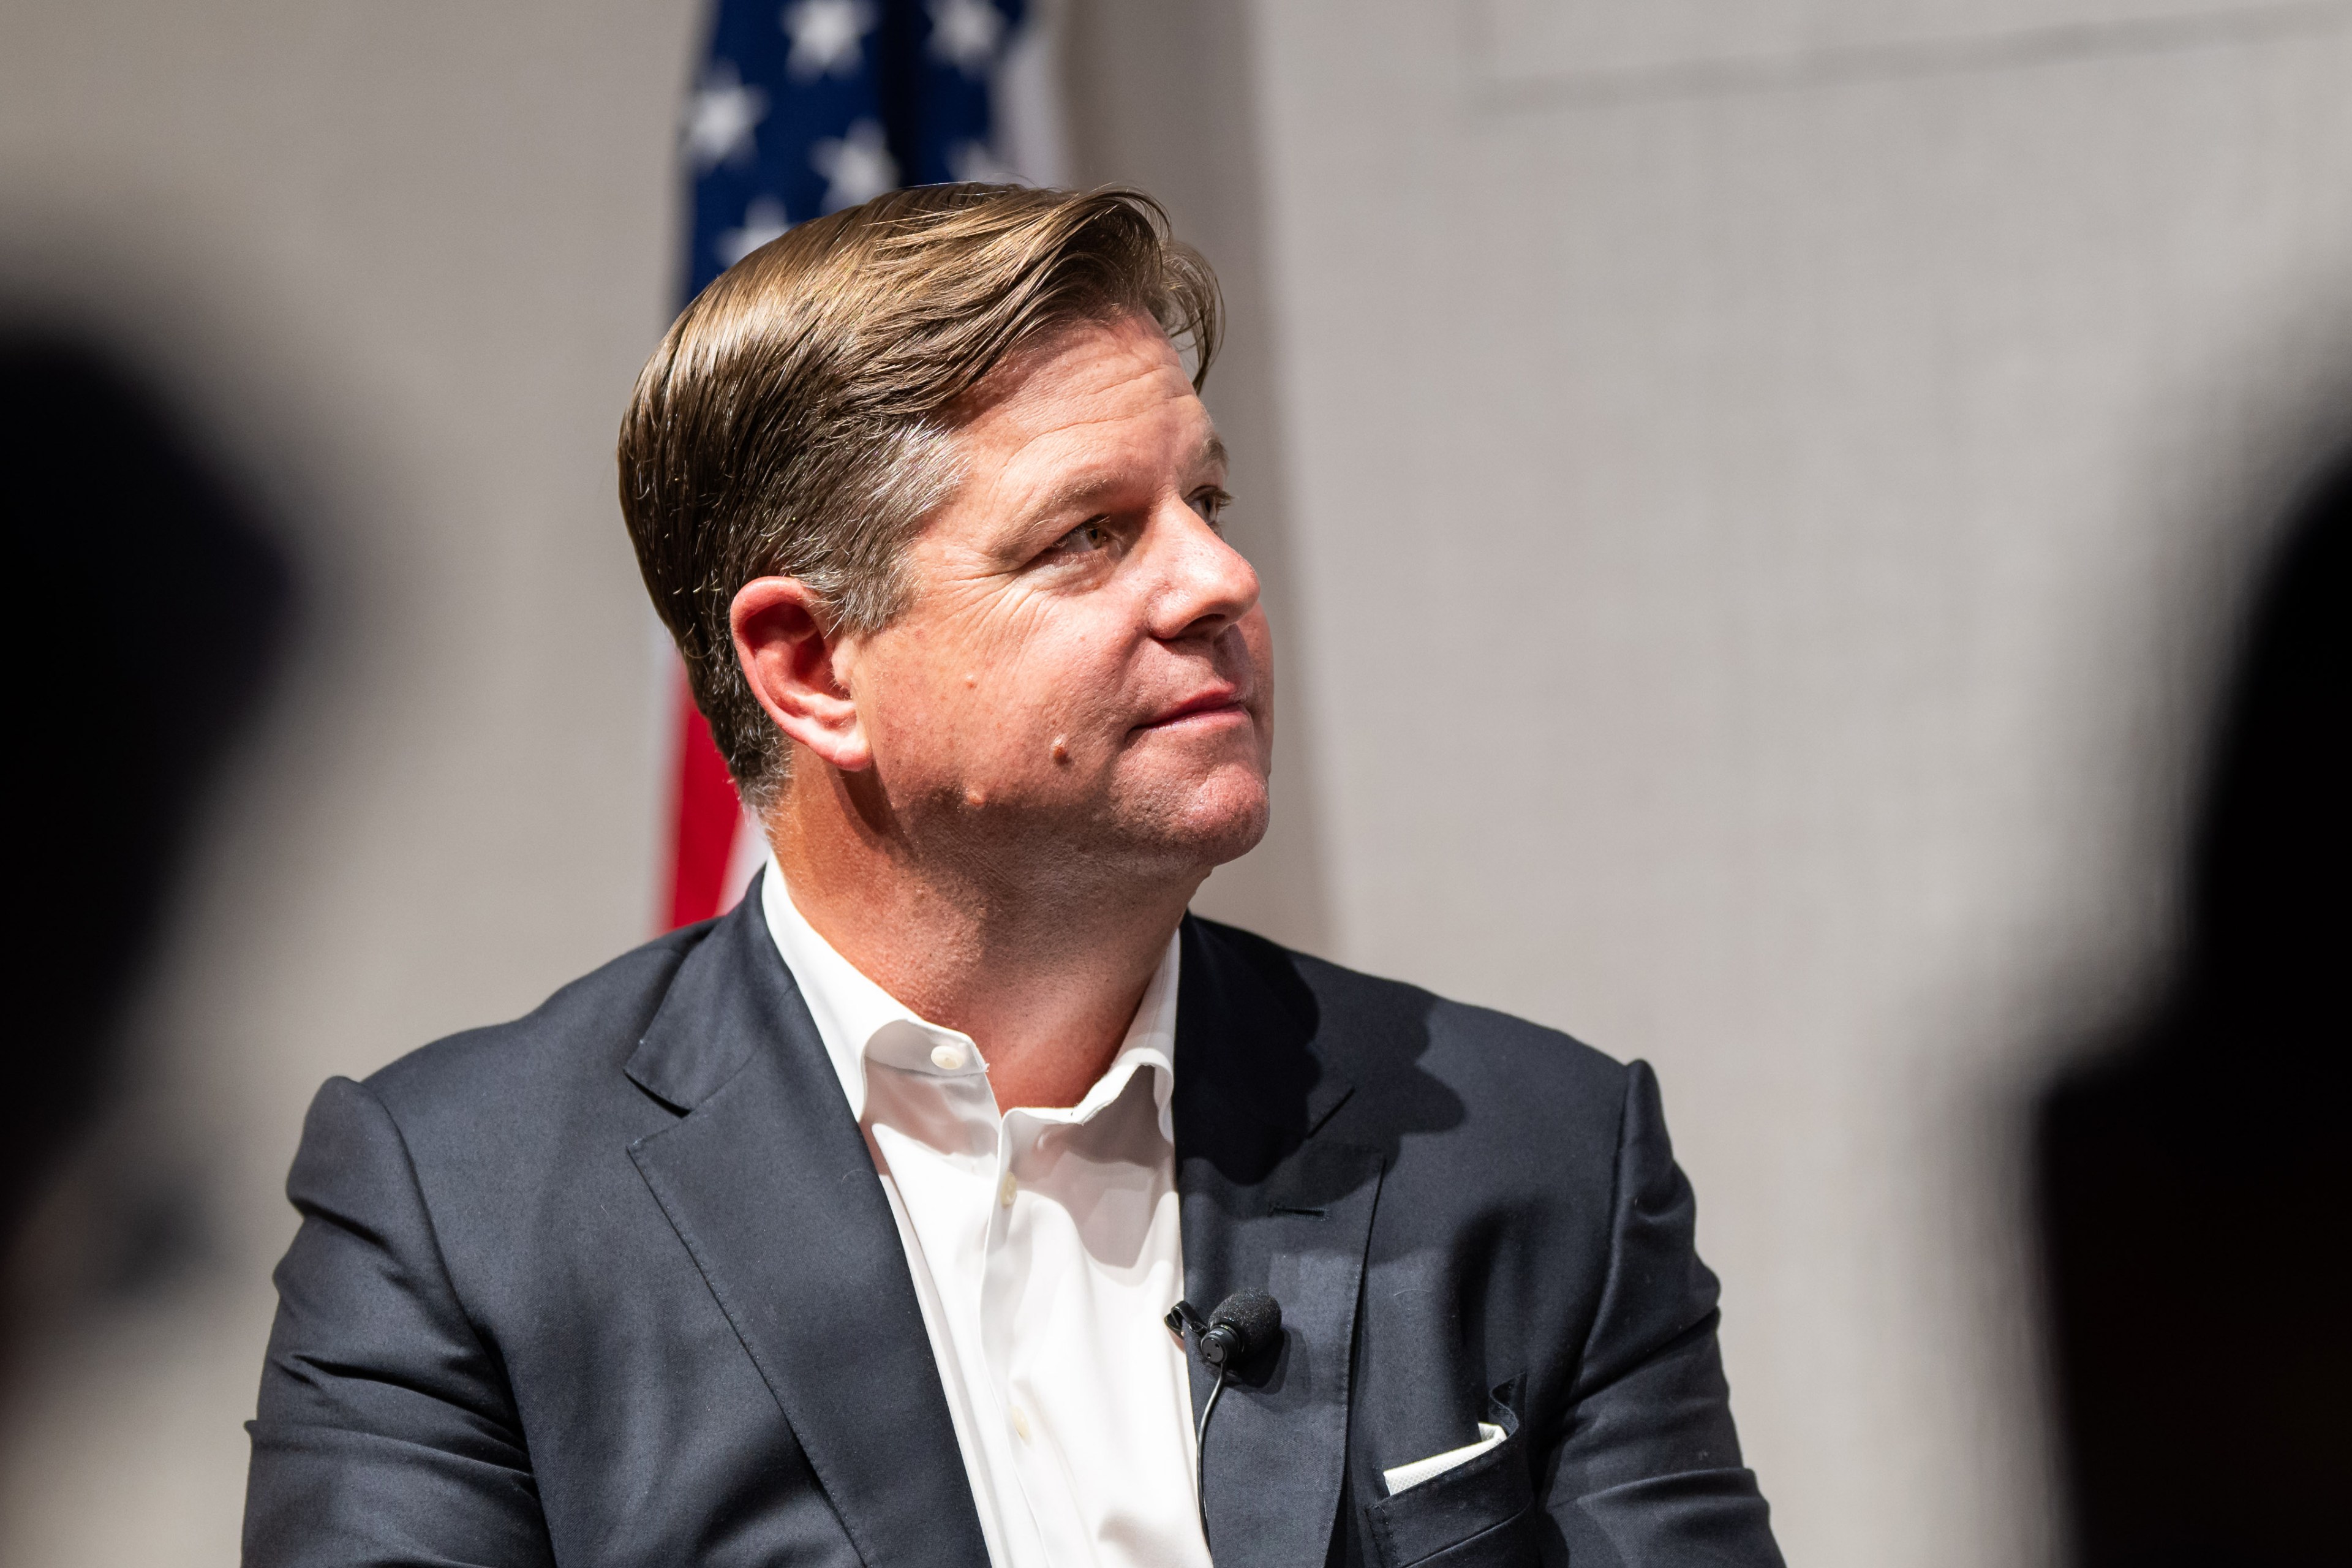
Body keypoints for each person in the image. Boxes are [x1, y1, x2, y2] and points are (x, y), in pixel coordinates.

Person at [243, 184, 1783, 1568]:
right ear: (809, 665)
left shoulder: (1542, 1149)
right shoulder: (460, 1210)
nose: (1220, 578)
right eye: (1089, 534)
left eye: (1208, 502)